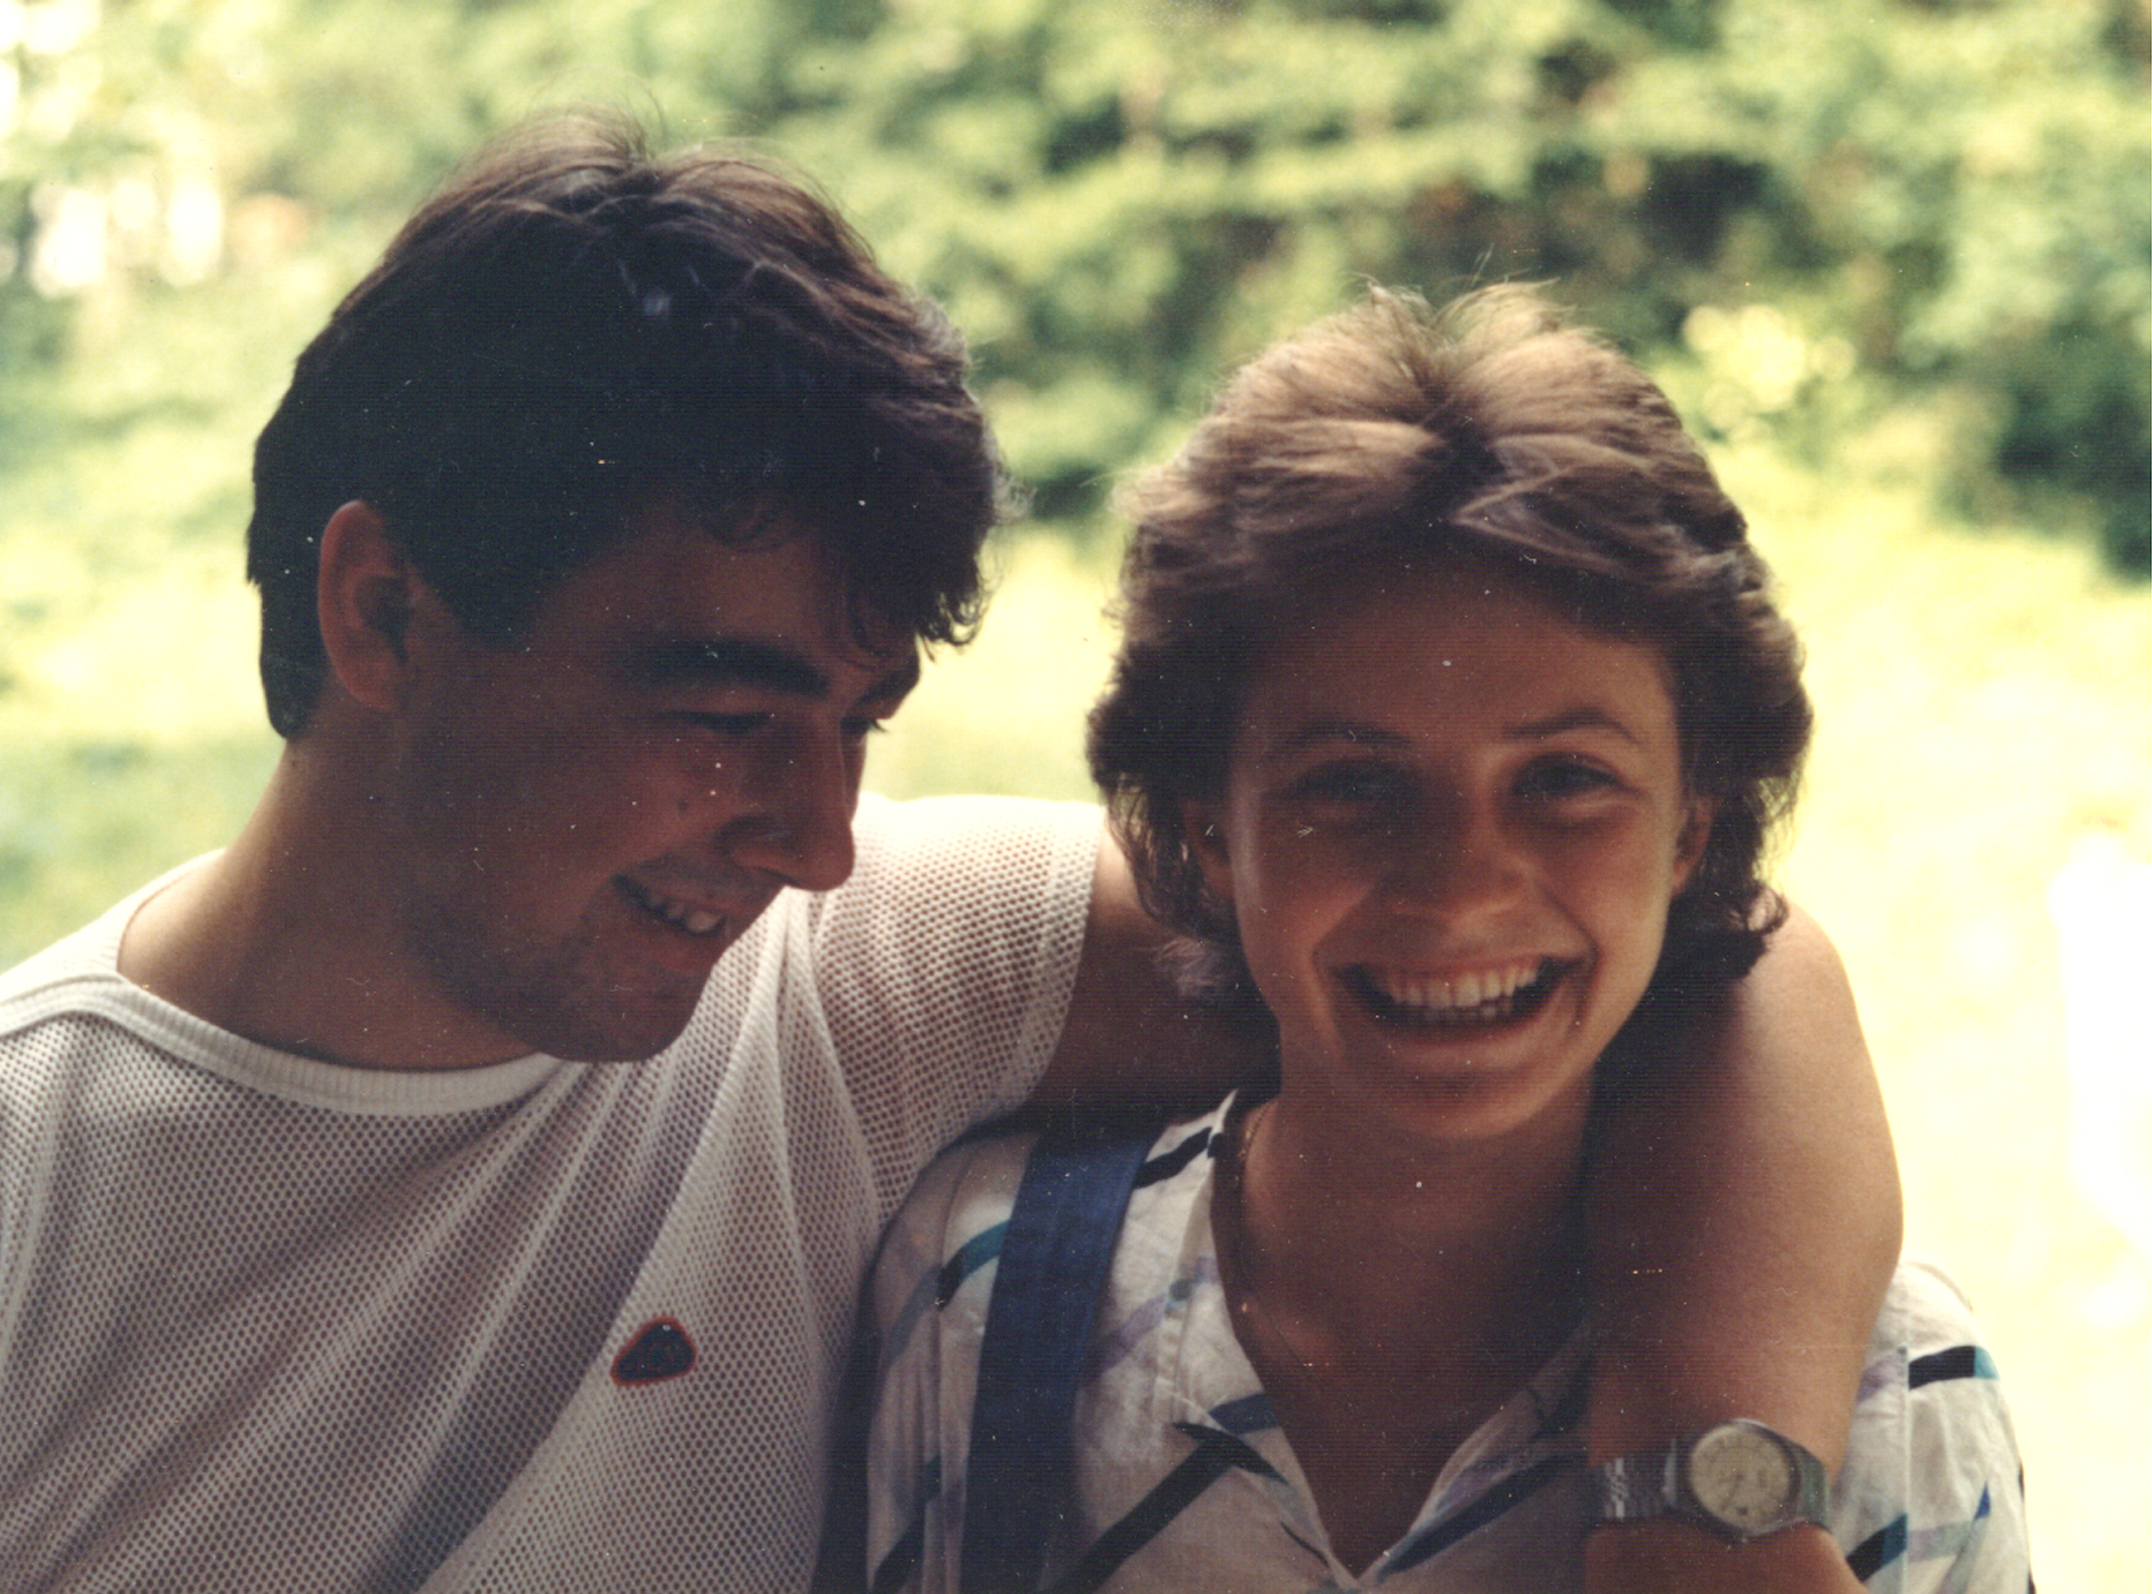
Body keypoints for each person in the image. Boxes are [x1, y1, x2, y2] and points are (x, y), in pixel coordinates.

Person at [0, 113, 1890, 1593]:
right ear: (384, 611)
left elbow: (1702, 956)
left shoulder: (856, 979)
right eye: (722, 713)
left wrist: (1702, 1502)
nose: (813, 842)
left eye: (855, 724)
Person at [860, 286, 2028, 1592]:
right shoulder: (982, 1297)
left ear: (1690, 832)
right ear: (1207, 834)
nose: (1460, 887)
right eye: (1352, 783)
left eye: (1566, 779)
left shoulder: (1894, 1410)